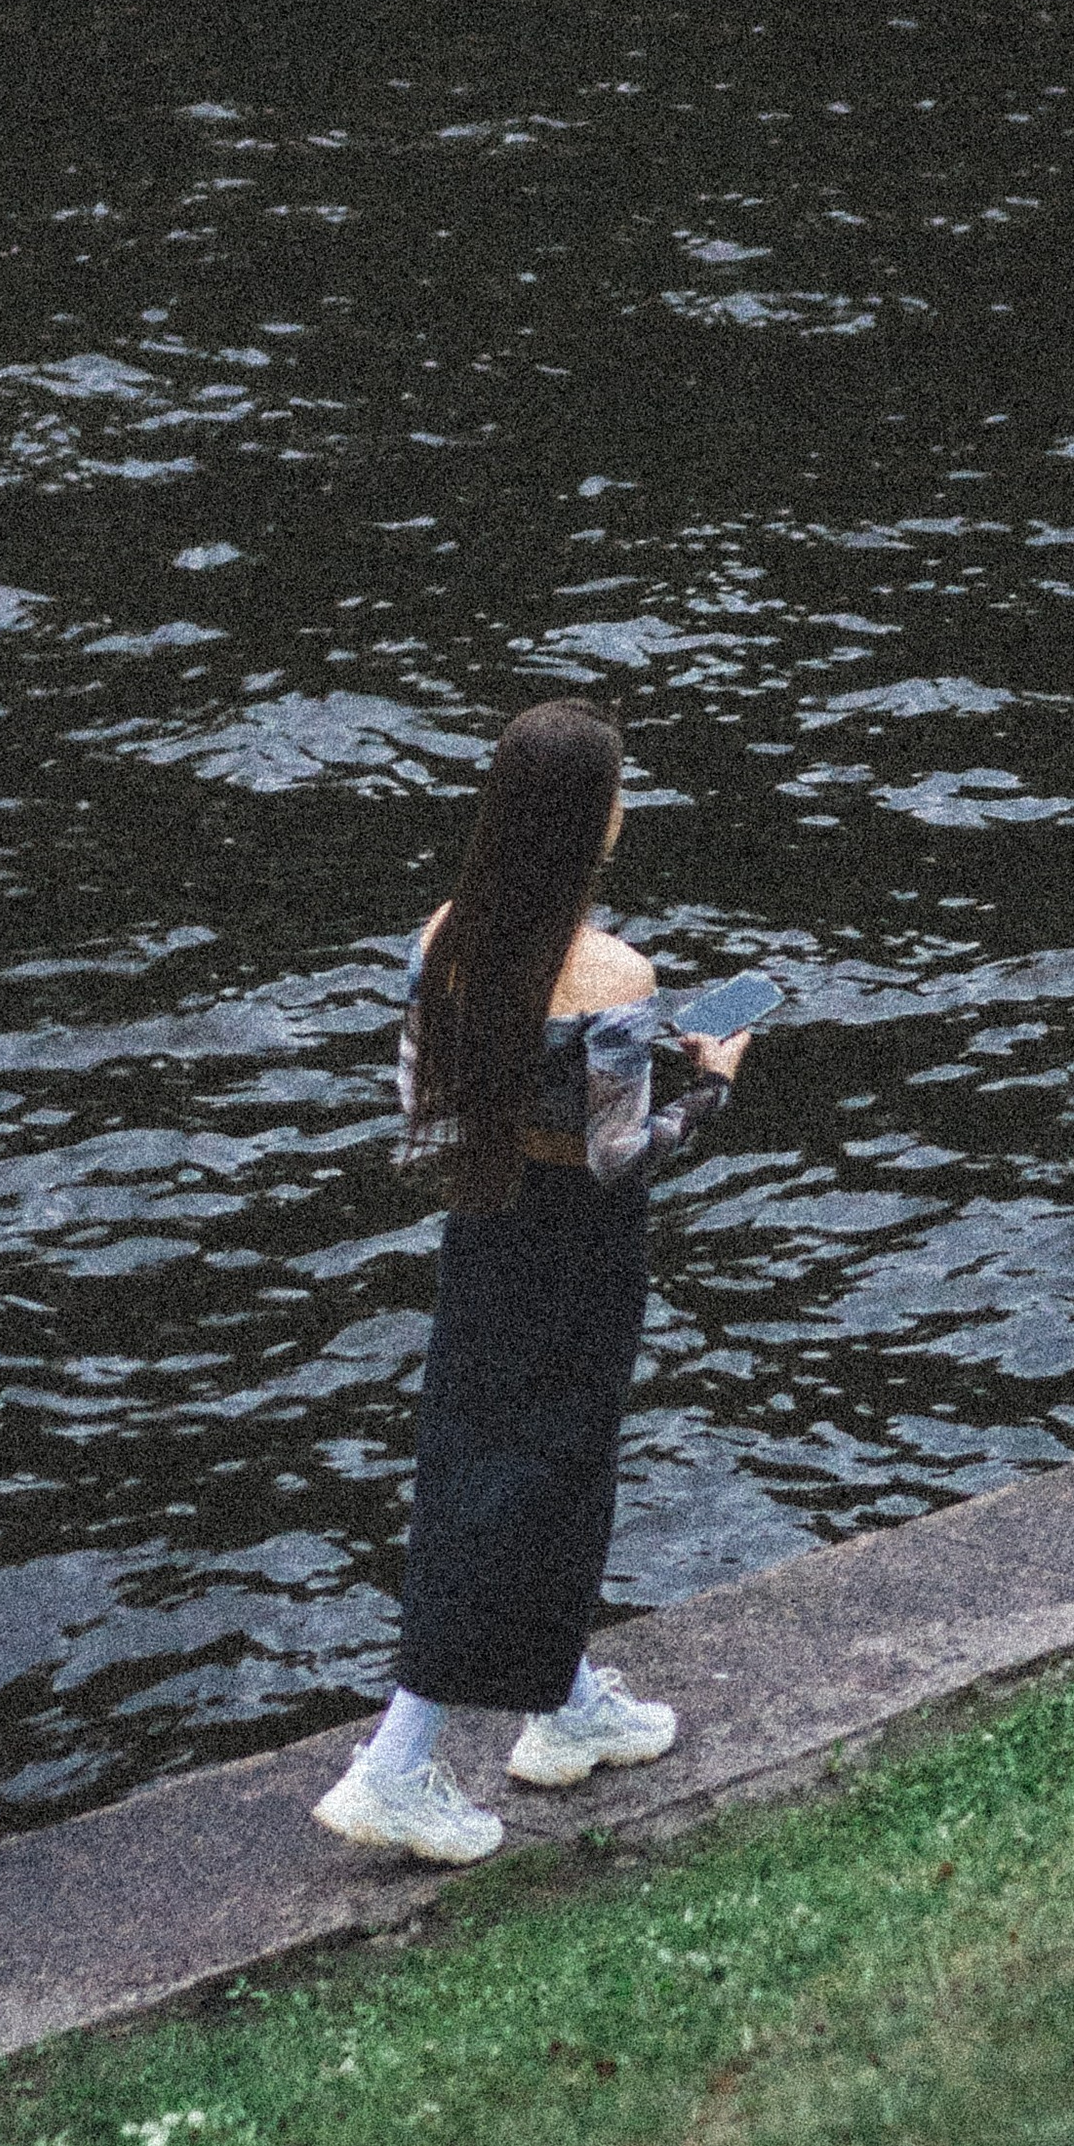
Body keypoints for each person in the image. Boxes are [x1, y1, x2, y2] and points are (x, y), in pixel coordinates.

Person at [312, 699, 750, 1864]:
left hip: (484, 1222)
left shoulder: (445, 935)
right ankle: (397, 1764)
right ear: (590, 820)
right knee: (546, 1469)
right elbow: (618, 1155)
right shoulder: (614, 971)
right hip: (578, 1246)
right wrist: (710, 1084)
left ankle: (561, 1709)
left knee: (484, 1458)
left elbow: (425, 1102)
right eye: (617, 791)